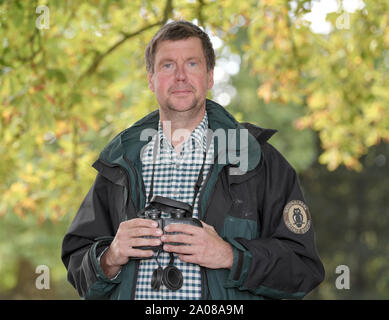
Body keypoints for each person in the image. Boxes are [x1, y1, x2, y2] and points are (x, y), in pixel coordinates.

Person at [61, 20, 325, 300]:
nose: (180, 76)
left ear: (210, 76)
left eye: (192, 64)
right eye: (167, 65)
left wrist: (231, 256)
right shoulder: (119, 163)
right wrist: (110, 257)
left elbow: (302, 269)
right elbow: (77, 265)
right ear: (151, 79)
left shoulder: (258, 160)